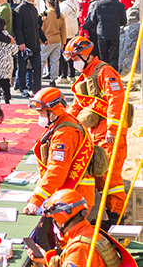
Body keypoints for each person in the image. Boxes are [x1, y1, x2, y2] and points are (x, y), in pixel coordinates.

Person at [64, 36, 128, 223]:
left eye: (75, 58)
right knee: (100, 175)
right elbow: (78, 106)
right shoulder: (85, 76)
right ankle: (109, 216)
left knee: (111, 177)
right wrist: (65, 125)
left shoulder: (105, 72)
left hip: (108, 133)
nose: (74, 62)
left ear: (85, 55)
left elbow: (116, 99)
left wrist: (112, 129)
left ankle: (116, 218)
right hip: (93, 133)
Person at [24, 87, 96, 216]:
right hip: (75, 194)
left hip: (74, 198)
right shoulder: (63, 122)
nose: (40, 117)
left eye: (42, 113)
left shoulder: (64, 134)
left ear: (54, 111)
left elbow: (57, 170)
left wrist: (36, 200)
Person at [35, 189, 134, 267]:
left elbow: (78, 259)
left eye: (54, 220)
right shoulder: (90, 233)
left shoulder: (79, 249)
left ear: (61, 219)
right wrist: (46, 259)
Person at [84, 0, 126, 66]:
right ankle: (113, 73)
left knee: (103, 58)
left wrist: (86, 26)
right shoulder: (120, 6)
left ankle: (105, 73)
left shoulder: (98, 4)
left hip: (101, 33)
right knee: (114, 57)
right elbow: (124, 22)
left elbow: (92, 19)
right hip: (114, 33)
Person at [14, 0, 43, 96]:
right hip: (24, 45)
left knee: (37, 68)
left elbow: (37, 27)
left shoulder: (34, 9)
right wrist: (20, 42)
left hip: (35, 44)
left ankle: (36, 89)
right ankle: (23, 88)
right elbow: (17, 28)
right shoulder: (19, 10)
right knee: (22, 68)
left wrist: (43, 38)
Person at [40, 0, 67, 87]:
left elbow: (41, 29)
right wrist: (63, 42)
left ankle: (38, 79)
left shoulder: (45, 14)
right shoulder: (60, 14)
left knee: (42, 60)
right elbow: (63, 30)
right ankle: (53, 80)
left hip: (46, 41)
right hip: (57, 40)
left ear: (48, 4)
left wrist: (40, 40)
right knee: (55, 61)